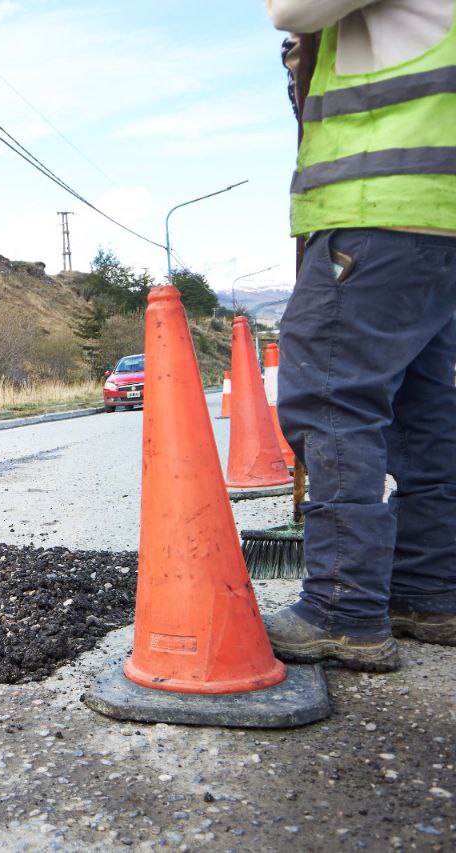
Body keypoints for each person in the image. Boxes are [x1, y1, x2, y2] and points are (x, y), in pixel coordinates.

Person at [264, 0, 456, 671]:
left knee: (331, 396)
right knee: (423, 411)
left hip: (379, 204)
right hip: (439, 215)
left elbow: (291, 7)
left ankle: (343, 610)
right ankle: (428, 590)